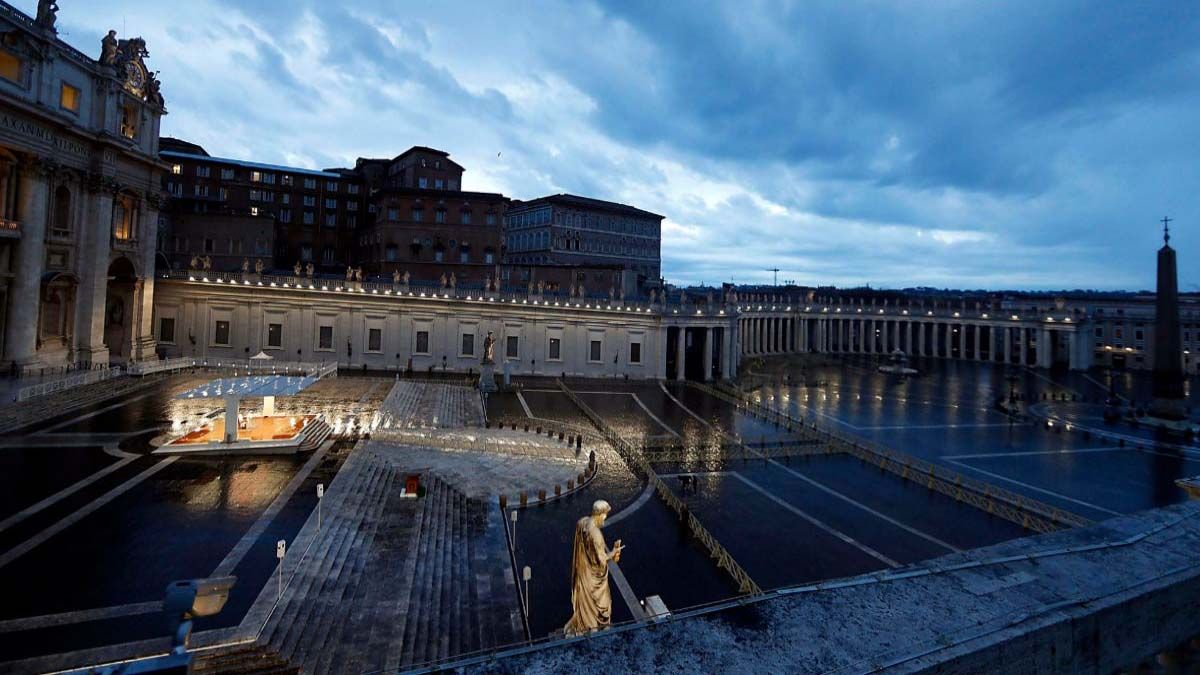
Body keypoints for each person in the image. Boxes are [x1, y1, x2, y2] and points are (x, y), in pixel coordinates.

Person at [563, 500, 624, 636]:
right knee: (604, 604)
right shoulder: (596, 535)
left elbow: (582, 547)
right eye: (605, 514)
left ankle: (583, 624)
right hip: (593, 578)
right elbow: (601, 561)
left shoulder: (583, 522)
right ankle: (593, 630)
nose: (605, 518)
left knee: (585, 606)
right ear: (600, 514)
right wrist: (614, 552)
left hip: (582, 572)